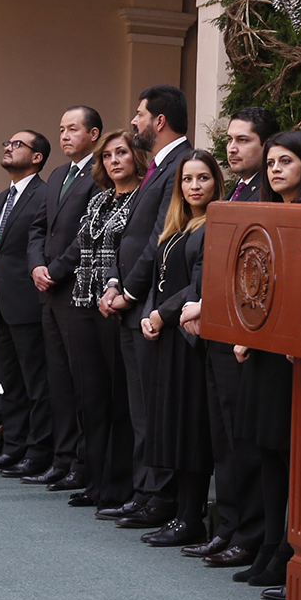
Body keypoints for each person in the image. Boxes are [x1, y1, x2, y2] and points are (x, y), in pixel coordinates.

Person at [188, 105, 280, 568]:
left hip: (246, 333)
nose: (233, 146)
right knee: (223, 437)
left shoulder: (269, 192)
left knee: (244, 441)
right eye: (231, 138)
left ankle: (251, 532)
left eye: (244, 139)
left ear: (266, 146)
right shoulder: (238, 189)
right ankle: (228, 526)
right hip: (219, 327)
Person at [233, 129, 301, 598]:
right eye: (270, 163)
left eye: (286, 161)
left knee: (294, 456)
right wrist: (243, 333)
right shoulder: (263, 215)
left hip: (298, 354)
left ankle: (292, 550)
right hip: (264, 349)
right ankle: (270, 544)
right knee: (266, 452)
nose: (275, 170)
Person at [99, 86, 191, 529]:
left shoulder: (180, 164)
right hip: (132, 297)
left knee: (154, 411)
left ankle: (159, 496)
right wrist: (116, 281)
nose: (133, 122)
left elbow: (160, 237)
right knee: (140, 410)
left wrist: (130, 293)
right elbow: (132, 236)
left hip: (151, 303)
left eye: (139, 115)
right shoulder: (158, 165)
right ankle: (142, 491)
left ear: (159, 121)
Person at [138, 147, 223, 548]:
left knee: (191, 431)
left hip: (191, 340)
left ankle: (191, 517)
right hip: (167, 338)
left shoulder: (214, 226)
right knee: (171, 426)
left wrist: (162, 315)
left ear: (216, 183)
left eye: (202, 178)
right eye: (187, 179)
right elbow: (161, 279)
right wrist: (150, 313)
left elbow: (199, 286)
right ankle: (177, 512)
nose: (194, 186)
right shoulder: (177, 226)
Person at [29, 106, 105, 493]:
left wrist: (56, 268)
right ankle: (60, 460)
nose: (64, 136)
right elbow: (38, 227)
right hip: (49, 290)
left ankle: (82, 463)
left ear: (93, 134)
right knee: (56, 379)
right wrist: (36, 266)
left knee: (81, 382)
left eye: (72, 129)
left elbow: (90, 232)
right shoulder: (57, 175)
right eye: (60, 129)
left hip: (77, 289)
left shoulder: (99, 173)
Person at [66, 133, 139, 509]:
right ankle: (94, 481)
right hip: (81, 302)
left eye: (121, 153)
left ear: (136, 157)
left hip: (114, 306)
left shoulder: (142, 200)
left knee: (117, 399)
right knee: (90, 397)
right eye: (107, 155)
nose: (113, 161)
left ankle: (118, 486)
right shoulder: (96, 199)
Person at [0, 132, 51, 476]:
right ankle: (13, 447)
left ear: (37, 157)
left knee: (36, 382)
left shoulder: (45, 193)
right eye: (5, 143)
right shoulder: (3, 196)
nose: (8, 147)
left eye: (17, 144)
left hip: (30, 301)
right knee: (10, 382)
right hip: (2, 302)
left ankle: (38, 452)